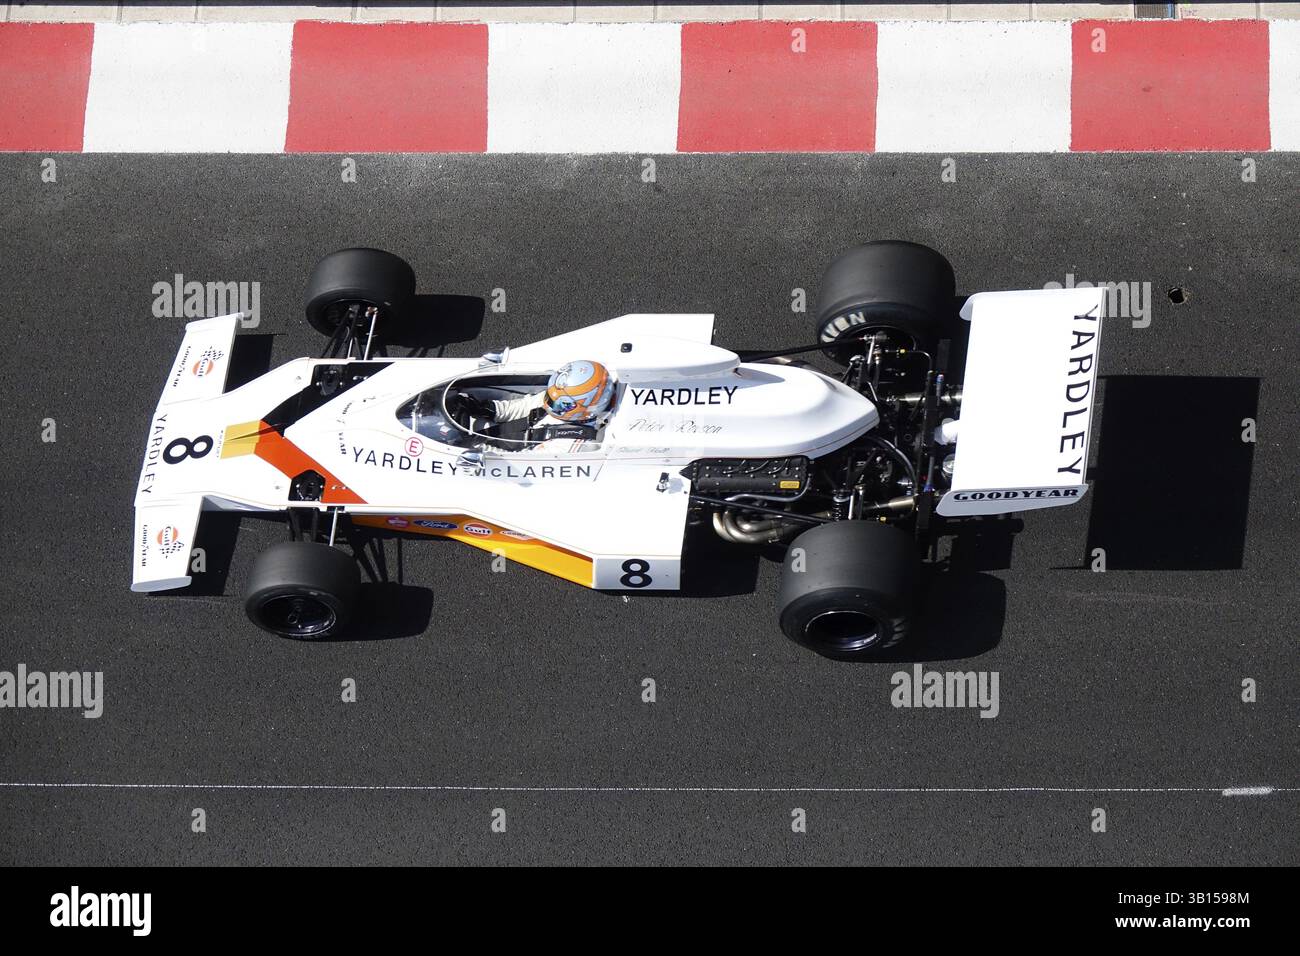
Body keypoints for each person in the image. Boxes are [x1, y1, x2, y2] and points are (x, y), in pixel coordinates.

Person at [461, 360, 616, 443]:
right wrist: (483, 408)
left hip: (517, 450)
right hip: (514, 431)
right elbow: (523, 407)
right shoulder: (560, 398)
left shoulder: (571, 440)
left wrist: (474, 446)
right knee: (480, 422)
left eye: (556, 403)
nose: (548, 403)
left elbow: (523, 460)